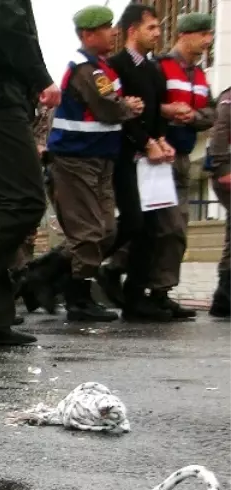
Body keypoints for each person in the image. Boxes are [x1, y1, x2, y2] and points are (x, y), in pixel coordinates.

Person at [41, 7, 142, 324]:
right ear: (87, 34)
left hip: (100, 159)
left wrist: (122, 107)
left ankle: (44, 274)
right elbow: (107, 109)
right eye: (106, 27)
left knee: (107, 230)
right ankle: (77, 297)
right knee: (89, 232)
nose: (114, 32)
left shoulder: (102, 68)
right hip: (76, 160)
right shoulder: (87, 69)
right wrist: (129, 107)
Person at [126, 12, 214, 320]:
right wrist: (168, 111)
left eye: (210, 34)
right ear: (185, 35)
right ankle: (134, 281)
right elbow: (143, 105)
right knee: (156, 228)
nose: (208, 41)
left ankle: (160, 291)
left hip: (181, 159)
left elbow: (211, 114)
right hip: (154, 157)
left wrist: (194, 117)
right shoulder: (159, 67)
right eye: (203, 34)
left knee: (174, 228)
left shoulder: (200, 76)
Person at [103, 4, 175, 322]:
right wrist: (145, 142)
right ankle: (76, 268)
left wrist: (160, 140)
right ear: (133, 30)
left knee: (152, 228)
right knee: (132, 221)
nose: (158, 33)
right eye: (152, 28)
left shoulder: (153, 68)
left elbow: (156, 111)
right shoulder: (116, 66)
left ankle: (136, 297)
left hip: (150, 161)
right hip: (124, 156)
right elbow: (120, 113)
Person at [205, 69, 231, 317]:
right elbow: (220, 131)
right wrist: (223, 167)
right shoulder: (228, 99)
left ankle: (224, 297)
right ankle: (224, 295)